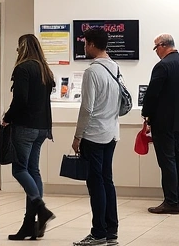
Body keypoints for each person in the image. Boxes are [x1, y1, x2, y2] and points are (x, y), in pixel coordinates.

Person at [71, 27, 122, 246]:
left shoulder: (92, 72)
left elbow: (87, 108)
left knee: (96, 184)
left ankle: (98, 232)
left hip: (93, 134)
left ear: (91, 44)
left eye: (85, 43)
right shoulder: (115, 68)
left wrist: (77, 136)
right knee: (107, 181)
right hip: (111, 132)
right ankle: (111, 230)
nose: (84, 47)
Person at [2, 34, 56, 240]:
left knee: (19, 169)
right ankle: (30, 224)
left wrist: (7, 118)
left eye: (18, 47)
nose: (17, 51)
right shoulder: (44, 70)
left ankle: (41, 209)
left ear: (23, 47)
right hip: (42, 128)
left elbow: (20, 100)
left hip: (25, 127)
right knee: (33, 171)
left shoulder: (23, 68)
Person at [142, 33, 179, 215]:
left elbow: (152, 94)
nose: (156, 52)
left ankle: (170, 202)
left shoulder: (162, 66)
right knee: (178, 158)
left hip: (163, 120)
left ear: (163, 46)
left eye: (156, 48)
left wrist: (146, 114)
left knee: (167, 161)